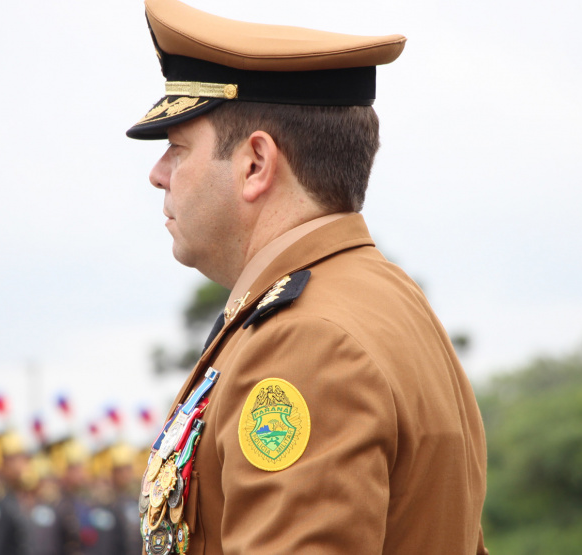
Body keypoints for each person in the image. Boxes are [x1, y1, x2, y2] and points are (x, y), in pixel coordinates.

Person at [125, 1, 489, 554]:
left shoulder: (307, 343)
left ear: (255, 164)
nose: (158, 175)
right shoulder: (383, 299)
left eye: (177, 149)